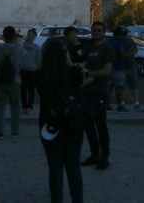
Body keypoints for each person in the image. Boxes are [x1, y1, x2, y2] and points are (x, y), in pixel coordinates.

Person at [36, 38, 86, 203]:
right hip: (72, 122)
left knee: (55, 167)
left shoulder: (40, 74)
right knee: (73, 166)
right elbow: (80, 83)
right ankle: (77, 200)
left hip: (49, 121)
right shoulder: (74, 73)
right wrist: (70, 62)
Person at [79, 21, 114, 170]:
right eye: (94, 30)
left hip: (100, 91)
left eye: (99, 30)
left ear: (104, 32)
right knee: (88, 126)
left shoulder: (108, 49)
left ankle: (105, 157)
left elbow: (107, 71)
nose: (97, 32)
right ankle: (95, 155)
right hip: (86, 91)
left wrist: (88, 74)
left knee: (101, 126)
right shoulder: (90, 48)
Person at [0, 25, 23, 138]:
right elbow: (23, 55)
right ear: (14, 36)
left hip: (0, 79)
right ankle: (15, 131)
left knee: (0, 106)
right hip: (14, 80)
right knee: (15, 107)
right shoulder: (18, 49)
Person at [105, 26, 134, 112]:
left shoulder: (109, 42)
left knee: (109, 88)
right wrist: (130, 51)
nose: (124, 37)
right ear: (119, 35)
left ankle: (107, 105)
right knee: (119, 88)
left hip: (109, 67)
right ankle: (120, 106)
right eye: (123, 35)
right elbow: (123, 55)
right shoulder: (119, 44)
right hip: (118, 68)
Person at [19, 28, 41, 114]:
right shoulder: (22, 45)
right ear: (27, 35)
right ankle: (24, 105)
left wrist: (36, 67)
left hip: (32, 70)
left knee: (31, 89)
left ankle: (30, 106)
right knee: (23, 89)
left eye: (32, 35)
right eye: (29, 35)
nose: (30, 37)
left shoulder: (36, 47)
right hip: (22, 69)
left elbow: (38, 59)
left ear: (35, 36)